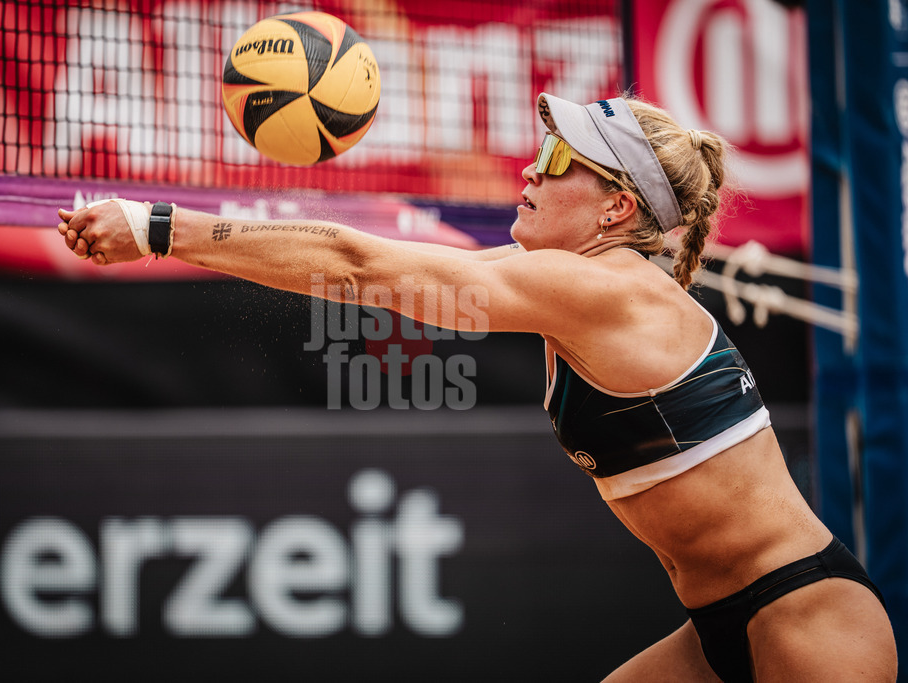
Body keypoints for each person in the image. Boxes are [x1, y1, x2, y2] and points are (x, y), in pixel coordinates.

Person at [57, 93, 897, 681]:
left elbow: (360, 264)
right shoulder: (571, 278)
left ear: (613, 210)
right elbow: (369, 263)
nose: (530, 171)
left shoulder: (606, 290)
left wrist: (158, 226)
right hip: (723, 627)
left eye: (559, 158)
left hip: (806, 614)